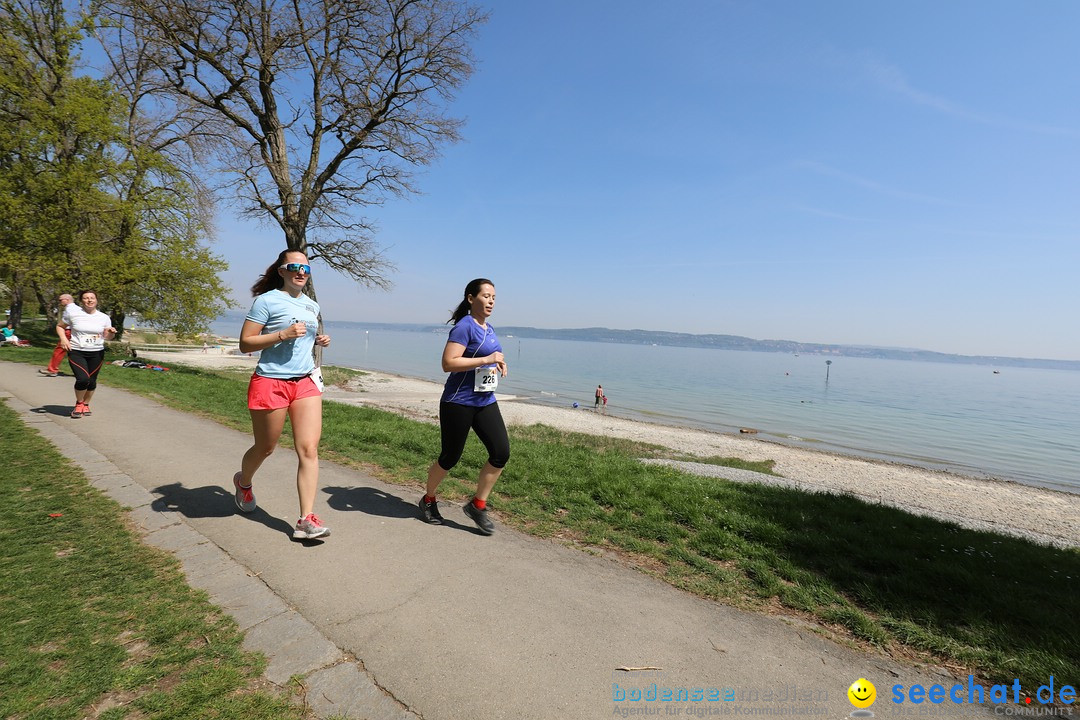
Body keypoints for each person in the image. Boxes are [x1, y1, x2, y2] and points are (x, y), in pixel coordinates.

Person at [234, 249, 332, 541]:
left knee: (309, 450)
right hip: (270, 381)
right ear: (281, 270)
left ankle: (306, 519)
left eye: (306, 268)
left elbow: (305, 338)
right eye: (294, 267)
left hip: (304, 382)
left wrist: (318, 340)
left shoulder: (312, 305)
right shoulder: (265, 301)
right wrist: (282, 335)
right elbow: (245, 343)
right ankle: (244, 482)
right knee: (265, 447)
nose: (301, 272)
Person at [418, 278, 509, 536]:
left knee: (501, 452)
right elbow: (448, 363)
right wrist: (487, 358)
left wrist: (499, 362)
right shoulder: (464, 326)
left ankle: (477, 505)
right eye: (486, 296)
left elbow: (491, 355)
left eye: (494, 297)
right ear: (471, 298)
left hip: (485, 400)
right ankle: (428, 500)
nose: (491, 301)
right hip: (458, 402)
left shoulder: (488, 328)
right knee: (450, 457)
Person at [57, 290, 117, 418]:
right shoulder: (74, 314)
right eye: (86, 298)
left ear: (96, 300)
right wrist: (63, 339)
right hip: (77, 351)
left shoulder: (104, 317)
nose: (89, 300)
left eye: (92, 298)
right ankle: (79, 403)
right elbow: (60, 326)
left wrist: (111, 332)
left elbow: (107, 337)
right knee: (83, 379)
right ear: (81, 301)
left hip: (96, 353)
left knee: (92, 381)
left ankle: (86, 404)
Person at [40, 293, 75, 375]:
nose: (59, 302)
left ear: (67, 300)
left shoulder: (70, 309)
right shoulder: (77, 308)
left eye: (60, 300)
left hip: (68, 331)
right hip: (75, 332)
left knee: (59, 351)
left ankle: (52, 369)